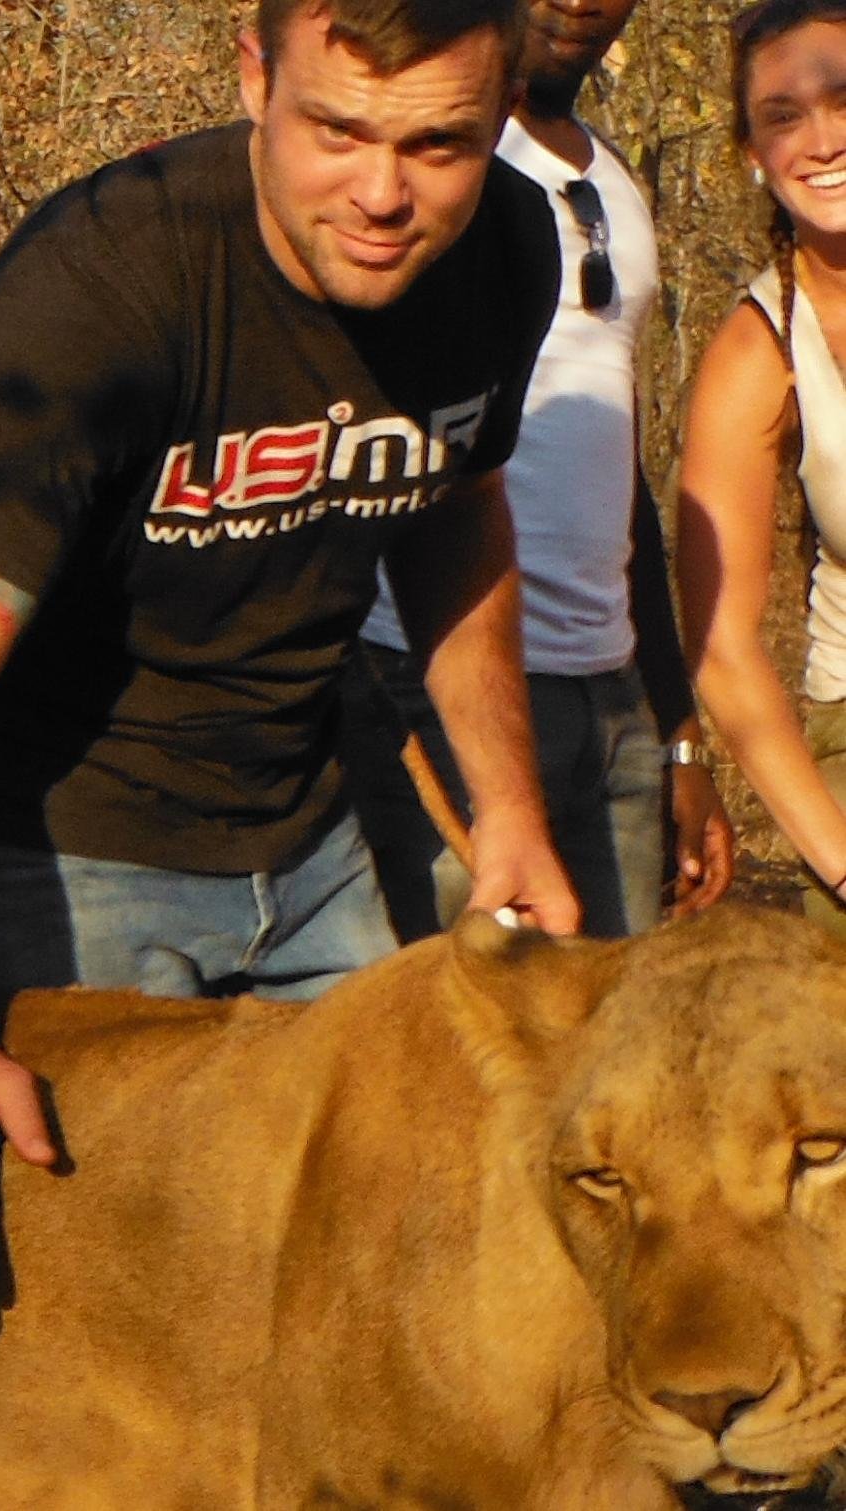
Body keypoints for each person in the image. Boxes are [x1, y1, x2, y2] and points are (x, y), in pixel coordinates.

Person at [0, 0, 580, 1328]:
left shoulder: (507, 252)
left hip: (312, 830)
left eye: (438, 146)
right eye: (335, 130)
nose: (382, 194)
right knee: (120, 1329)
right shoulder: (102, 282)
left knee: (399, 1274)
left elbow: (453, 506)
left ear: (503, 111)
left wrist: (508, 809)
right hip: (61, 848)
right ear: (252, 76)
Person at [352, 0, 735, 940]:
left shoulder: (615, 180)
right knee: (458, 1049)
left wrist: (675, 730)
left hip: (608, 706)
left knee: (605, 1054)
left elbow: (619, 475)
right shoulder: (429, 159)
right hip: (435, 684)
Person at [678, 0, 846, 937]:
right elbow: (723, 645)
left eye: (845, 100)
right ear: (750, 150)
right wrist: (840, 862)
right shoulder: (759, 349)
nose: (821, 141)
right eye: (783, 115)